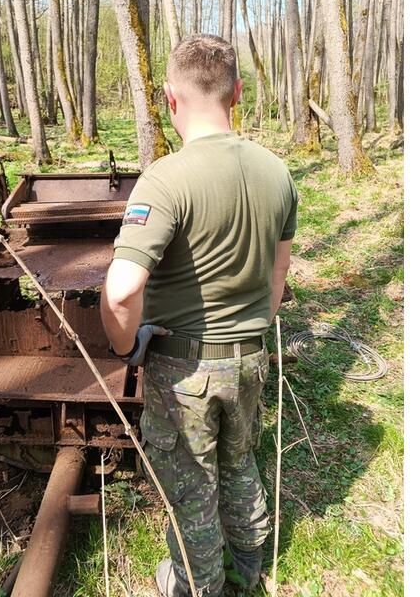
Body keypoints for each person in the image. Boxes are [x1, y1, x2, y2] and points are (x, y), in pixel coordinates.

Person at [101, 34, 298, 597]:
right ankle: (249, 564)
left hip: (182, 371)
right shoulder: (278, 173)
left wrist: (124, 347)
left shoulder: (165, 179)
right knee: (239, 463)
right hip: (250, 358)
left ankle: (196, 584)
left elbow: (121, 291)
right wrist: (251, 329)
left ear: (170, 97)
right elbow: (278, 278)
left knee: (191, 487)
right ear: (237, 92)